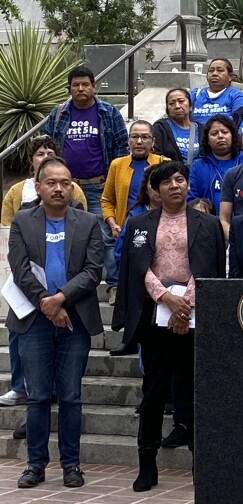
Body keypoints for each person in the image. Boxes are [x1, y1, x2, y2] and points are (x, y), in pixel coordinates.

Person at [111, 161, 226, 492]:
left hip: (194, 312)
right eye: (168, 182)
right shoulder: (139, 223)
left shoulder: (207, 223)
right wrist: (166, 298)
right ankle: (147, 462)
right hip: (154, 313)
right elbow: (135, 267)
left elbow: (211, 267)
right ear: (155, 189)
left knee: (195, 390)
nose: (176, 186)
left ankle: (200, 461)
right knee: (154, 391)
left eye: (181, 180)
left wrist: (185, 302)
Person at [8, 156, 103, 489]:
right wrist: (47, 306)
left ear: (72, 185)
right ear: (38, 187)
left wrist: (60, 299)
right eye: (51, 182)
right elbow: (19, 269)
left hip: (74, 320)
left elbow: (93, 271)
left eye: (65, 182)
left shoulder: (89, 221)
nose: (59, 188)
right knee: (36, 397)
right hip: (34, 321)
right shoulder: (22, 221)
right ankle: (35, 465)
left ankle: (71, 464)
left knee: (71, 396)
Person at [43, 66, 129, 305]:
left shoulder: (108, 113)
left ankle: (113, 286)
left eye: (85, 84)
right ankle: (64, 287)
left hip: (98, 187)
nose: (81, 89)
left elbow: (122, 150)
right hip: (64, 188)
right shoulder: (58, 114)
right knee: (63, 237)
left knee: (107, 236)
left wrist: (112, 183)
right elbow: (48, 148)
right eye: (76, 85)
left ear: (94, 86)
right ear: (69, 88)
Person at [102, 120, 167, 268]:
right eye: (134, 137)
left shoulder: (164, 163)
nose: (139, 141)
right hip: (125, 227)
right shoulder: (117, 165)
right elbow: (107, 200)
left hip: (157, 226)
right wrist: (113, 224)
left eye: (145, 137)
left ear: (153, 141)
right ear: (128, 140)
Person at [187, 114, 243, 216]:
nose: (220, 136)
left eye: (225, 132)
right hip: (208, 224)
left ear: (232, 136)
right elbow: (191, 199)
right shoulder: (198, 165)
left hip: (241, 223)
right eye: (214, 133)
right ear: (208, 141)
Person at [190, 58, 243, 129]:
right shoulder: (195, 94)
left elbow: (238, 124)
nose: (214, 74)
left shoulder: (237, 96)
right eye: (211, 70)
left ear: (230, 76)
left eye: (220, 70)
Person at [153, 88, 200, 166]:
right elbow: (155, 156)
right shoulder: (160, 128)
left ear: (190, 106)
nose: (177, 106)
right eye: (172, 103)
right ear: (167, 109)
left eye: (181, 101)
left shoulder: (201, 129)